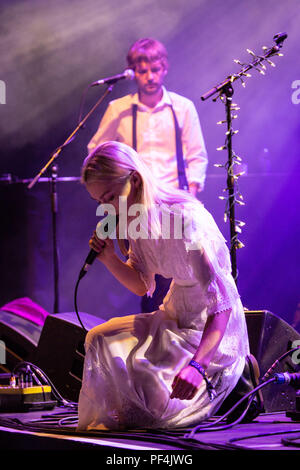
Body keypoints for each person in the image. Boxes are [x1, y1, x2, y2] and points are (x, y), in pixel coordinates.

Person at [77, 141, 250, 431]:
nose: (105, 208)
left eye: (108, 196)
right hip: (173, 314)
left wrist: (197, 367)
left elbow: (222, 304)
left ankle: (239, 371)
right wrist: (108, 258)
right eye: (99, 202)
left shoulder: (186, 222)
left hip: (209, 324)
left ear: (133, 180)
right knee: (98, 338)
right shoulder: (136, 220)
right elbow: (142, 283)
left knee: (152, 394)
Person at [87, 37, 208, 312]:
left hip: (172, 206)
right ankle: (155, 334)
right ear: (132, 71)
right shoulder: (118, 109)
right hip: (135, 207)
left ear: (164, 68)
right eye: (143, 71)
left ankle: (184, 331)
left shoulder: (182, 107)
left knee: (181, 275)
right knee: (146, 281)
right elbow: (95, 150)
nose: (150, 76)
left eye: (155, 69)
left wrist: (188, 201)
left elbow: (197, 156)